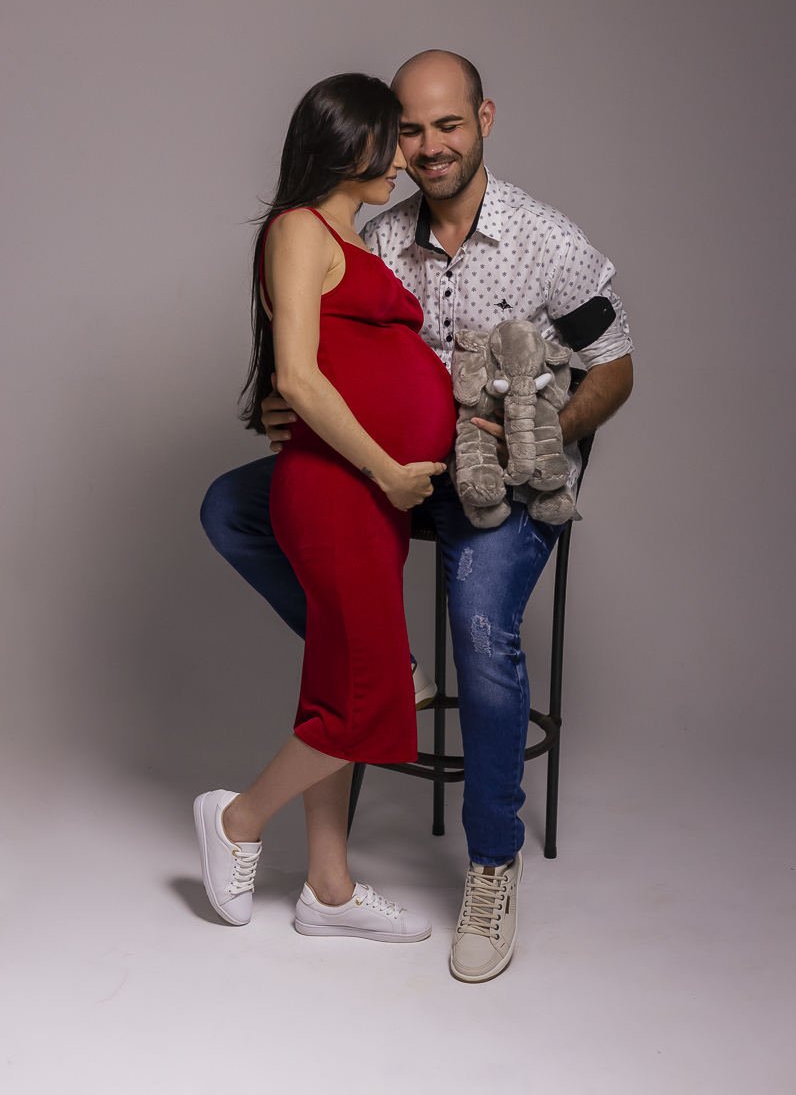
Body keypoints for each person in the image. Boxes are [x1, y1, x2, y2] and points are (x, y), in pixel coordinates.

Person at [201, 51, 634, 981]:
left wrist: (544, 434)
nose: (426, 148)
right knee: (232, 507)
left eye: (447, 126)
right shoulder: (375, 230)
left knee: (478, 626)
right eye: (409, 129)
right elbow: (321, 351)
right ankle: (376, 664)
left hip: (502, 475)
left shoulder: (544, 238)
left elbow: (615, 363)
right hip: (397, 472)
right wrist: (284, 408)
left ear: (484, 120)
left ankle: (491, 866)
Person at [194, 73, 456, 944]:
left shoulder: (357, 238)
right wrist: (388, 470)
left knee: (335, 690)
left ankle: (328, 890)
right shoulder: (299, 228)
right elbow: (298, 377)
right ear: (350, 146)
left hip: (370, 496)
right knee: (376, 694)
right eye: (391, 140)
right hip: (341, 489)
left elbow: (356, 362)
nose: (404, 159)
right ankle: (236, 819)